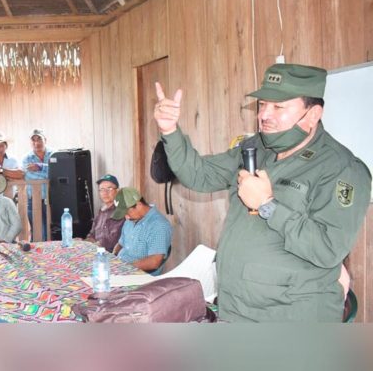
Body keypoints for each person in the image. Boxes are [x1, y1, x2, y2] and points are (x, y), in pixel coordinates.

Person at [154, 63, 371, 322]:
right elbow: (199, 175)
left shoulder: (342, 169)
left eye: (278, 107)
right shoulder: (257, 147)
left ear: (313, 114)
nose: (264, 115)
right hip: (236, 307)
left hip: (290, 318)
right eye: (263, 105)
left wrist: (268, 205)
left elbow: (326, 249)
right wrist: (170, 130)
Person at [110, 187, 172, 276]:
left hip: (137, 275)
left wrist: (125, 268)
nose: (126, 217)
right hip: (120, 268)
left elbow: (154, 262)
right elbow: (121, 243)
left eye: (127, 212)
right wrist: (113, 257)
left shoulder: (158, 225)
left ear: (139, 205)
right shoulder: (131, 220)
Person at [21, 129, 52, 240]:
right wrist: (47, 172)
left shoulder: (53, 154)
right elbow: (28, 176)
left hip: (52, 199)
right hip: (33, 199)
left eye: (39, 139)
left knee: (51, 230)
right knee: (38, 232)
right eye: (33, 140)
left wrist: (40, 167)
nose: (36, 143)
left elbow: (58, 172)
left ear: (45, 140)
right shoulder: (26, 158)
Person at [85, 174, 125, 252]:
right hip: (97, 252)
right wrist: (82, 243)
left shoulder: (122, 212)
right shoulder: (101, 212)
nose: (105, 193)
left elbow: (116, 242)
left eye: (109, 189)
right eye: (102, 189)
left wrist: (96, 245)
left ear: (117, 191)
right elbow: (92, 235)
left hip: (114, 257)